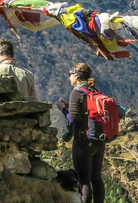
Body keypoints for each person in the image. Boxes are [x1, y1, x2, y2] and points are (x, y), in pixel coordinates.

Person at [57, 63, 105, 203]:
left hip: (83, 141)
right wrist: (70, 104)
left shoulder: (76, 92)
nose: (69, 77)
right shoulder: (93, 90)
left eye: (70, 74)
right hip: (98, 140)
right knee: (96, 178)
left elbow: (72, 118)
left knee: (83, 180)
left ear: (76, 76)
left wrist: (62, 108)